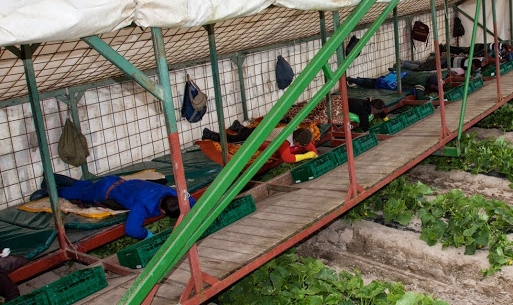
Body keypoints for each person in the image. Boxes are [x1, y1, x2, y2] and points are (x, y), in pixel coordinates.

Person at [29, 174, 194, 240]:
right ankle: (49, 190)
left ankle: (57, 177)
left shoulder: (169, 192)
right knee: (74, 193)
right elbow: (132, 229)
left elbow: (188, 197)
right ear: (163, 211)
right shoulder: (142, 206)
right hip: (105, 191)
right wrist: (149, 235)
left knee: (85, 187)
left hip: (117, 181)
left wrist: (193, 206)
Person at [202, 126, 319, 164]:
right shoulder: (285, 141)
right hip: (257, 137)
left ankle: (238, 126)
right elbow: (287, 158)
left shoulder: (300, 135)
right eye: (300, 145)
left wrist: (314, 154)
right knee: (233, 140)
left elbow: (310, 148)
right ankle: (209, 134)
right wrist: (307, 156)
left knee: (246, 131)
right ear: (296, 141)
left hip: (264, 131)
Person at [347, 70, 447, 100]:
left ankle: (358, 79)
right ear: (431, 84)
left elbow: (436, 86)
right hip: (394, 81)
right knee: (374, 84)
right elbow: (420, 96)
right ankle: (351, 79)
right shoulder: (421, 82)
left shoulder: (429, 75)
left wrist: (441, 93)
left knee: (376, 81)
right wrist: (431, 98)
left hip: (400, 75)